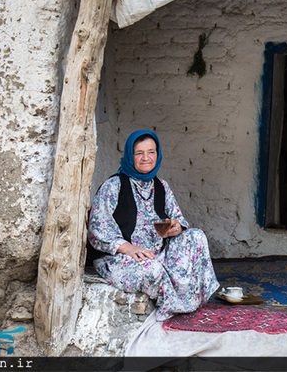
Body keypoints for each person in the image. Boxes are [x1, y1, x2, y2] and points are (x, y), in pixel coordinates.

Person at [88, 129, 219, 321]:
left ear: (157, 155)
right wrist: (129, 248)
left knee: (196, 235)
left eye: (151, 152)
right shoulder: (114, 185)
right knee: (153, 269)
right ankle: (173, 305)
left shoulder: (161, 186)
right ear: (130, 156)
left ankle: (191, 298)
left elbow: (178, 218)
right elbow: (98, 230)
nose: (146, 158)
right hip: (120, 258)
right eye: (139, 153)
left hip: (156, 252)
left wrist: (176, 226)